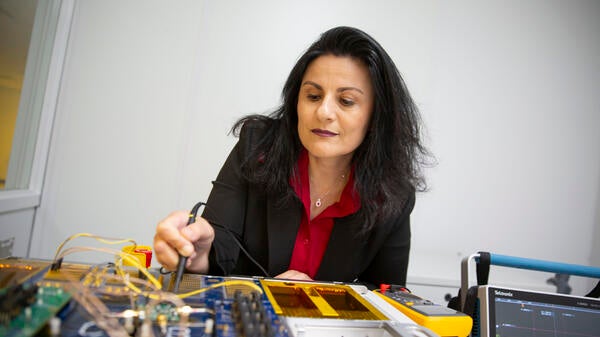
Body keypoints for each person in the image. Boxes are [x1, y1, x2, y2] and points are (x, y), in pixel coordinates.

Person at [153, 26, 429, 287]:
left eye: (346, 101)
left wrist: (317, 299)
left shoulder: (394, 194)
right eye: (312, 96)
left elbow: (387, 294)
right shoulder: (256, 147)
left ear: (375, 117)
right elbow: (220, 241)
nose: (324, 112)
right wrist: (198, 252)